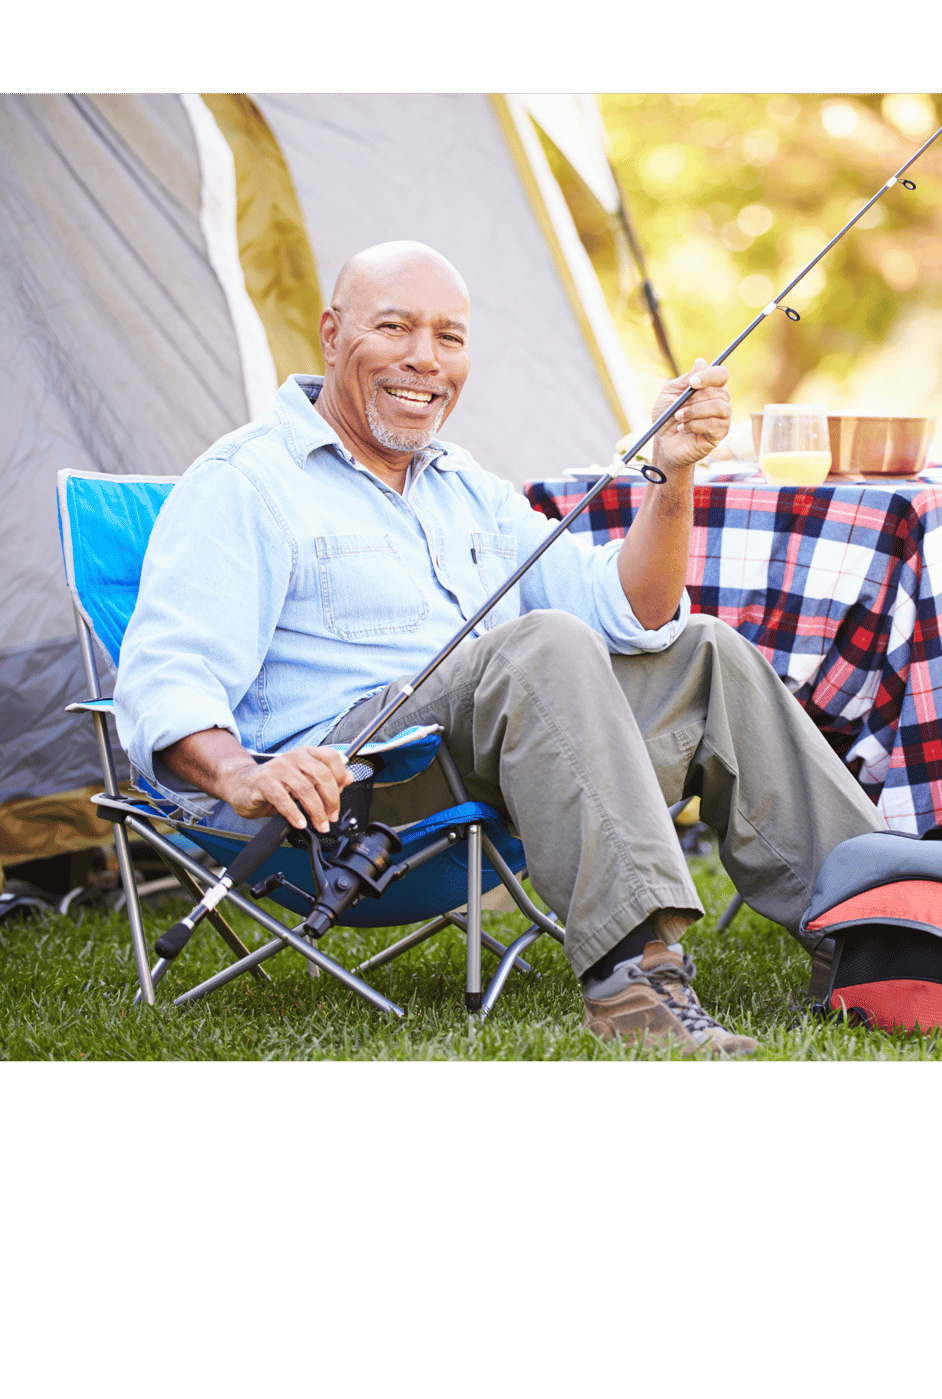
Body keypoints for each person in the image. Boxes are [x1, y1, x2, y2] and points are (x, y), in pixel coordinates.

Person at [114, 240, 882, 1055]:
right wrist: (242, 774)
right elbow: (166, 675)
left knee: (703, 652)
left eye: (449, 337)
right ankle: (636, 982)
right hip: (352, 796)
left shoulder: (463, 484)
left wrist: (673, 473)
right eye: (395, 327)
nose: (425, 358)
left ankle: (888, 928)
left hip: (510, 766)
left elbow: (632, 614)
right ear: (332, 336)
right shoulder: (245, 481)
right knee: (541, 644)